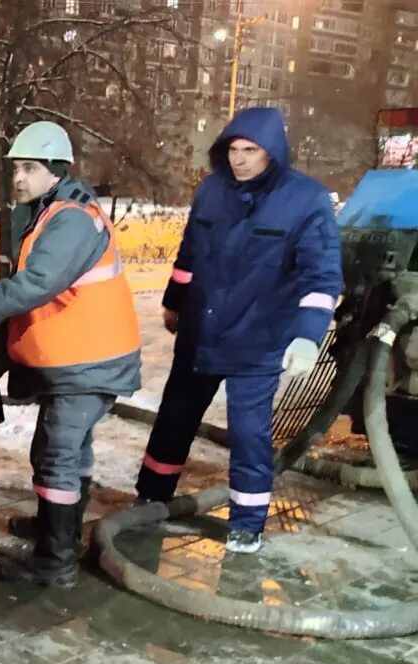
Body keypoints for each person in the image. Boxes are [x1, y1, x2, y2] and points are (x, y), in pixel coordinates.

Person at [0, 120, 141, 588]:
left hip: (89, 363)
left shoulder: (70, 219)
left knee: (55, 455)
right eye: (15, 169)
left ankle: (56, 560)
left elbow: (32, 288)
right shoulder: (47, 218)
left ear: (56, 171)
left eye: (29, 168)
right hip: (82, 360)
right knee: (68, 453)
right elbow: (31, 307)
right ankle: (56, 526)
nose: (19, 178)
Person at [134, 107, 343, 554]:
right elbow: (189, 255)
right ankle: (152, 496)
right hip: (201, 332)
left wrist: (307, 334)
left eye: (251, 150)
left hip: (258, 338)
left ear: (273, 153)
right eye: (233, 149)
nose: (239, 160)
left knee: (249, 434)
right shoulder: (212, 191)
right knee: (174, 419)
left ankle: (247, 522)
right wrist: (174, 304)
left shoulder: (306, 201)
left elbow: (321, 277)